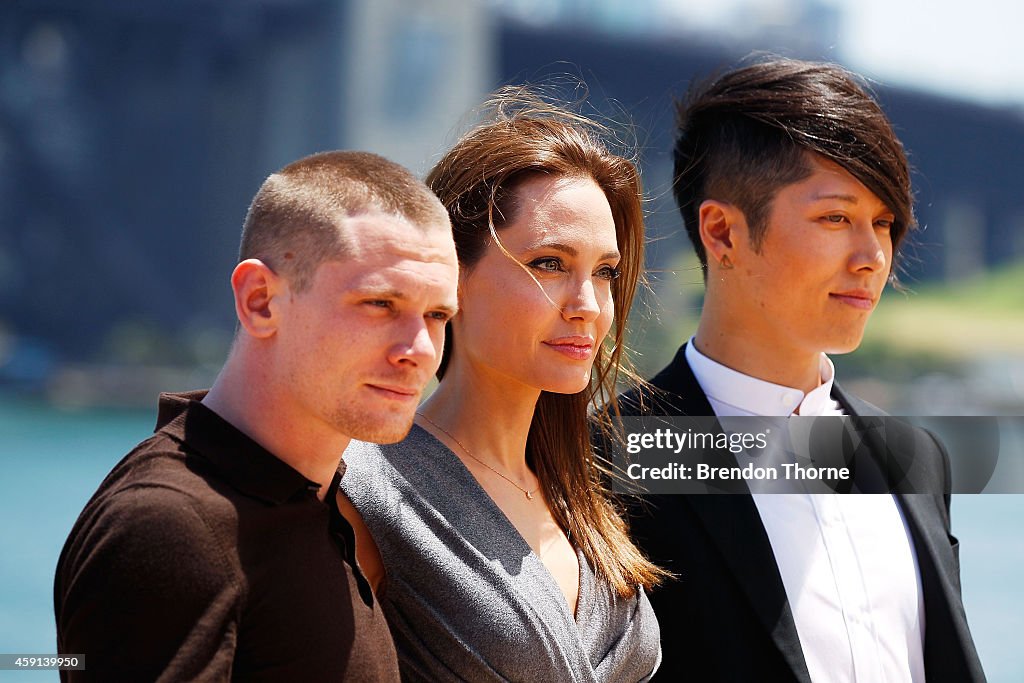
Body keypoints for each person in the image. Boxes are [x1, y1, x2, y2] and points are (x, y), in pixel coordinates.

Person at [617, 57, 986, 682]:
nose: (873, 257)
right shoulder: (608, 462)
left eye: (884, 222)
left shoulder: (915, 459)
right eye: (836, 218)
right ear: (722, 232)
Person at [54, 151, 460, 681]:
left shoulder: (319, 500)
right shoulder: (171, 528)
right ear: (261, 301)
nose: (420, 350)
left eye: (437, 315)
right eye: (380, 303)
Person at [337, 89, 664, 682]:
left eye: (605, 272)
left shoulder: (581, 485)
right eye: (549, 264)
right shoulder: (365, 487)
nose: (587, 305)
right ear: (451, 277)